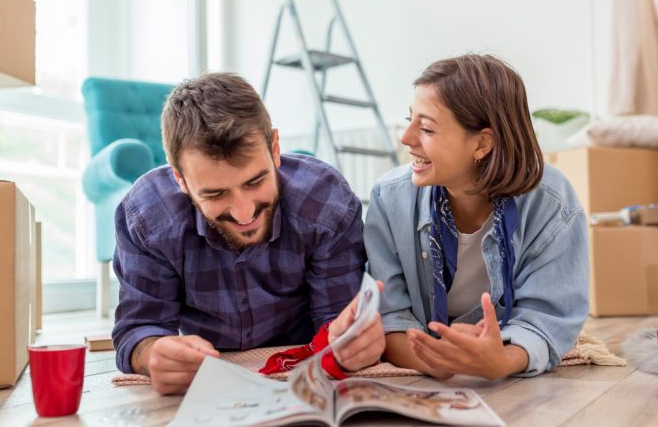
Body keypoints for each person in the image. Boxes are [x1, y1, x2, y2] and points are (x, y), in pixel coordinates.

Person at [111, 72, 385, 394]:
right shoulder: (147, 217)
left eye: (255, 182)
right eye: (215, 194)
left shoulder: (326, 203)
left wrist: (348, 341)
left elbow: (335, 323)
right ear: (180, 180)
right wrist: (153, 354)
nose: (244, 213)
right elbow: (138, 329)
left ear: (275, 148)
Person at [364, 53, 588, 379]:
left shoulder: (551, 202)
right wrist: (440, 362)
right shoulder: (389, 198)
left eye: (425, 127)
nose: (406, 137)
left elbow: (550, 316)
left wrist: (501, 361)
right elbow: (391, 317)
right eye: (409, 119)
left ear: (482, 143)